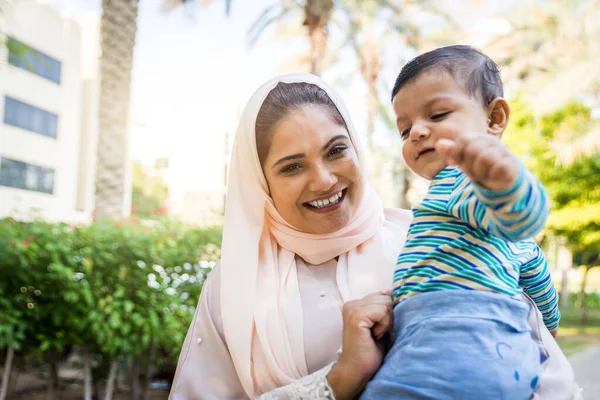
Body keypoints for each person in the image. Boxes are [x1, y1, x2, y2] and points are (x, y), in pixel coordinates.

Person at [168, 73, 580, 400]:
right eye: (292, 167)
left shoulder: (431, 237)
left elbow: (546, 379)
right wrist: (338, 380)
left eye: (336, 151)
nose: (324, 179)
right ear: (262, 184)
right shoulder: (234, 286)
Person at [362, 45, 560, 399]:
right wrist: (552, 326)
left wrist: (508, 183)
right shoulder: (471, 204)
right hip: (500, 357)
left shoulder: (466, 180)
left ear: (494, 118)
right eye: (404, 131)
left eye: (437, 114)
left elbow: (522, 219)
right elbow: (538, 274)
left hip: (456, 343)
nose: (418, 132)